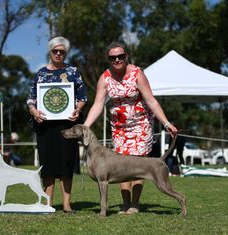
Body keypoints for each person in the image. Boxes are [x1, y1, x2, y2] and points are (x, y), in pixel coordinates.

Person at [83, 42, 177, 215]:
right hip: (120, 127)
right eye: (112, 57)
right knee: (121, 165)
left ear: (126, 56)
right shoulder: (105, 78)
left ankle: (135, 203)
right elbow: (97, 104)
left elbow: (151, 100)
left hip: (141, 125)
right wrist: (85, 127)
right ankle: (125, 204)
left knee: (138, 164)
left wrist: (166, 123)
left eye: (120, 56)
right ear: (109, 59)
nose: (117, 60)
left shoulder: (137, 74)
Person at [27, 36, 87, 213]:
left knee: (66, 164)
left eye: (62, 51)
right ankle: (48, 204)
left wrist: (77, 109)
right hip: (45, 126)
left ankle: (67, 205)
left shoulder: (73, 72)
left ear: (66, 53)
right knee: (48, 164)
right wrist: (34, 112)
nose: (58, 54)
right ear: (50, 52)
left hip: (67, 126)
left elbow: (82, 97)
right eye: (55, 51)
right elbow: (31, 99)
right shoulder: (40, 74)